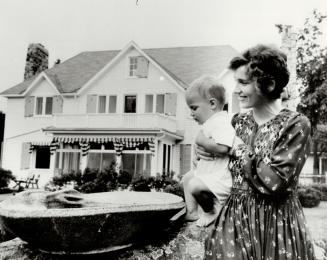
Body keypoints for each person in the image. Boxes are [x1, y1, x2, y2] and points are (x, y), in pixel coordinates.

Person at [203, 45, 315, 259]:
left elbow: (274, 182)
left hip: (278, 227)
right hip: (234, 225)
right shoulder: (237, 123)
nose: (236, 90)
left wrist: (235, 147)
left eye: (243, 83)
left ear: (270, 85)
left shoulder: (296, 124)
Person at [182, 75, 234, 227]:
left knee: (194, 185)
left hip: (219, 176)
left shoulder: (221, 122)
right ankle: (191, 213)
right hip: (208, 171)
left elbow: (224, 147)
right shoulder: (210, 123)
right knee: (187, 178)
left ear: (212, 103)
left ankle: (210, 211)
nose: (191, 114)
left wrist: (202, 141)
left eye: (194, 108)